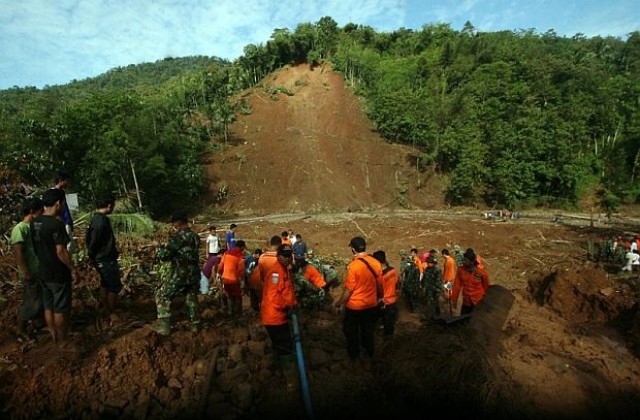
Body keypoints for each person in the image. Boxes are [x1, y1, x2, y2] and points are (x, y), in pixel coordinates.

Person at [31, 188, 74, 348]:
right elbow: (61, 251)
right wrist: (72, 268)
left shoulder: (35, 223)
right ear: (58, 203)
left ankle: (53, 334)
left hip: (43, 270)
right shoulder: (56, 224)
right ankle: (63, 340)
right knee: (60, 307)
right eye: (63, 203)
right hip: (57, 273)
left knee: (48, 304)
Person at [149, 211, 201, 335]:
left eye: (173, 223)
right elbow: (184, 251)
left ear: (177, 222)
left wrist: (158, 247)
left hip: (180, 274)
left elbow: (164, 255)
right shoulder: (195, 236)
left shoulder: (178, 237)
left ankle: (164, 327)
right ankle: (195, 325)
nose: (173, 225)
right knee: (191, 297)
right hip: (193, 273)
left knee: (162, 295)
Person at [334, 236, 383, 360]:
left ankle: (354, 355)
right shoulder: (376, 263)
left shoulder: (353, 266)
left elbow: (348, 291)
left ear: (353, 250)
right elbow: (379, 285)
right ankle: (369, 353)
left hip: (355, 307)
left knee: (351, 331)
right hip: (371, 304)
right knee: (368, 330)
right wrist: (380, 298)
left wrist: (339, 303)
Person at [85, 195, 122, 325]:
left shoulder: (97, 219)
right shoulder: (100, 222)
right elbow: (94, 241)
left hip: (102, 257)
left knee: (105, 283)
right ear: (109, 206)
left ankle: (105, 308)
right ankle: (111, 313)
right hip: (105, 258)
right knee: (114, 286)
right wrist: (92, 254)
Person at [10, 197, 44, 336]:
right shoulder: (19, 229)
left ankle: (38, 324)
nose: (42, 213)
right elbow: (19, 253)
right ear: (32, 211)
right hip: (30, 272)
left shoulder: (34, 227)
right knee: (31, 302)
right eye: (40, 211)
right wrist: (27, 272)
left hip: (39, 269)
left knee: (38, 299)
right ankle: (21, 329)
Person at [261, 244, 297, 361]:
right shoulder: (275, 273)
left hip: (280, 315)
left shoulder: (284, 270)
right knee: (285, 348)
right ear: (278, 256)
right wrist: (287, 306)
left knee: (282, 346)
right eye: (284, 256)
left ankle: (280, 369)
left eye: (289, 256)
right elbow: (273, 297)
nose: (287, 258)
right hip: (274, 318)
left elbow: (286, 291)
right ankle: (289, 375)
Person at [450, 248, 490, 315]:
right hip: (467, 301)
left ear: (472, 262)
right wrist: (454, 299)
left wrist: (487, 302)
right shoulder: (460, 271)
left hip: (478, 302)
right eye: (463, 260)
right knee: (463, 320)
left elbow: (487, 288)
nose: (463, 262)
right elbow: (457, 286)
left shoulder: (481, 273)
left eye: (465, 260)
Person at [247, 235, 282, 312]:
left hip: (257, 283)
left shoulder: (262, 257)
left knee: (262, 304)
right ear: (280, 245)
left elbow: (261, 274)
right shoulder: (279, 258)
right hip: (272, 286)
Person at [372, 250, 399, 341]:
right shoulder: (393, 270)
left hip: (383, 303)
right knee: (389, 326)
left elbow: (378, 290)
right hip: (393, 301)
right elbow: (397, 284)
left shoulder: (380, 275)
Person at [218, 239, 247, 316]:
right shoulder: (240, 256)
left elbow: (220, 266)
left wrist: (220, 273)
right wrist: (242, 281)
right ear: (242, 247)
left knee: (229, 295)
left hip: (225, 278)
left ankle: (230, 312)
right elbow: (241, 270)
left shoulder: (226, 253)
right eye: (244, 248)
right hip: (234, 279)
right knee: (237, 296)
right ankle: (238, 313)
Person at [52, 171, 76, 253]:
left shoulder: (62, 192)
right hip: (61, 224)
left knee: (68, 247)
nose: (68, 183)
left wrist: (70, 222)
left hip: (66, 222)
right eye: (67, 181)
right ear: (61, 180)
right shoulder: (52, 193)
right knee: (63, 248)